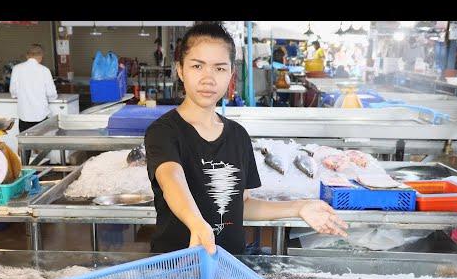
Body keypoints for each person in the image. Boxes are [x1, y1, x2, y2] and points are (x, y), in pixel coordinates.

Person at [144, 23, 348, 255]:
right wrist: (196, 222)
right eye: (197, 66)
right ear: (180, 70)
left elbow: (242, 205)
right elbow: (171, 179)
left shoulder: (238, 135)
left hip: (229, 265)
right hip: (176, 264)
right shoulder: (163, 131)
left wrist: (299, 207)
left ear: (231, 73)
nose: (208, 78)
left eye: (219, 69)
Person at [9, 44, 57, 164]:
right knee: (42, 144)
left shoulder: (17, 69)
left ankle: (26, 170)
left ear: (27, 55)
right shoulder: (44, 71)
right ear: (41, 56)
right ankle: (40, 169)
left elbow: (13, 92)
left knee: (25, 145)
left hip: (24, 115)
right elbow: (52, 93)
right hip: (41, 115)